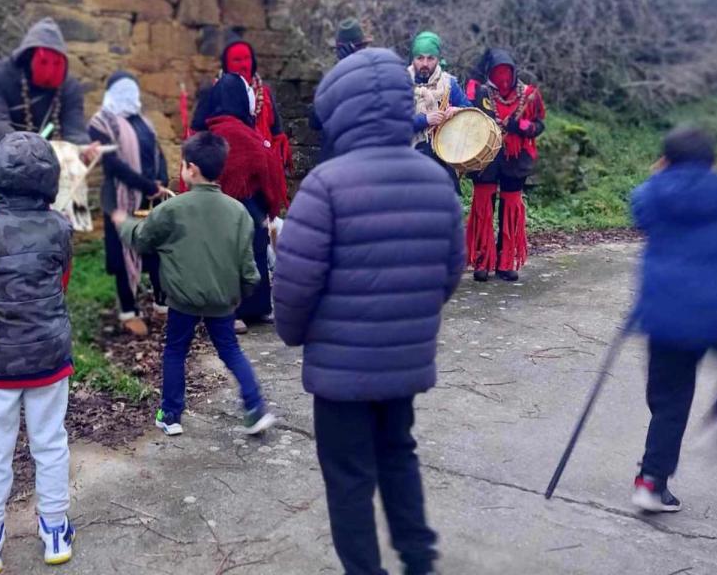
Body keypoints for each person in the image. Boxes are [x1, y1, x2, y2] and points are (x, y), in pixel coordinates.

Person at [274, 48, 466, 575]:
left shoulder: (325, 187)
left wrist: (294, 334)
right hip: (402, 366)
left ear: (343, 112)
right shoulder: (436, 181)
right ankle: (419, 559)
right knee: (399, 454)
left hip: (339, 374)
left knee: (349, 476)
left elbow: (294, 285)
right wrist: (408, 318)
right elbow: (450, 272)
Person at [0, 132, 76, 572]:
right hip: (48, 357)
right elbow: (62, 279)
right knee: (50, 443)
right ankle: (55, 529)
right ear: (50, 181)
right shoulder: (60, 226)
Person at [112, 132, 277, 437]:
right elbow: (248, 266)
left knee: (176, 351)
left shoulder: (173, 209)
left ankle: (171, 415)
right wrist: (242, 292)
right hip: (222, 300)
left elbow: (142, 238)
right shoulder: (238, 211)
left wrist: (123, 223)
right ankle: (255, 408)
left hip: (183, 300)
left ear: (190, 169)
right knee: (230, 351)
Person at [629, 126, 717, 513]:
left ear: (666, 158)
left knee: (669, 401)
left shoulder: (652, 192)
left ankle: (652, 482)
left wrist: (660, 176)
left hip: (662, 313)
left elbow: (641, 212)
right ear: (711, 158)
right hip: (710, 313)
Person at [202, 73, 288, 333]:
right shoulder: (237, 132)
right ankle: (242, 310)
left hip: (223, 208)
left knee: (237, 256)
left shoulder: (213, 130)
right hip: (241, 206)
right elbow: (265, 165)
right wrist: (268, 203)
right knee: (249, 253)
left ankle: (247, 309)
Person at [89, 71, 172, 337]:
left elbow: (157, 153)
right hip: (120, 198)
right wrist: (147, 186)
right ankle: (128, 311)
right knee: (123, 254)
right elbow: (113, 165)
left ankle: (162, 304)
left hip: (151, 198)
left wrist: (161, 180)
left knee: (157, 252)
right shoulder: (100, 123)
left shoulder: (144, 122)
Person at [0, 18, 93, 188]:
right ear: (28, 57)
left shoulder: (69, 86)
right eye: (45, 62)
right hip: (2, 163)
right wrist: (23, 148)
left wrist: (83, 147)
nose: (49, 69)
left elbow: (74, 127)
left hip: (48, 169)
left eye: (55, 64)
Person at [465, 48, 546, 282]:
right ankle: (482, 261)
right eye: (497, 72)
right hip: (486, 158)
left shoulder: (529, 94)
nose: (503, 78)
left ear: (514, 72)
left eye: (507, 73)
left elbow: (539, 125)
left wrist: (522, 127)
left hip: (516, 158)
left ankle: (505, 261)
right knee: (483, 207)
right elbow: (467, 111)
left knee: (510, 207)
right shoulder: (479, 92)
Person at [190, 38, 293, 176]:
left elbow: (277, 134)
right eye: (237, 60)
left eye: (247, 59)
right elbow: (198, 132)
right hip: (225, 168)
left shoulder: (265, 94)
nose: (243, 65)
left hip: (261, 167)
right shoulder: (213, 92)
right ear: (226, 65)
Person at [408, 31, 472, 191]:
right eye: (419, 58)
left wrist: (458, 111)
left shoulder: (448, 84)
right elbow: (392, 124)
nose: (424, 63)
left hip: (442, 164)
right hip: (409, 161)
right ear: (412, 59)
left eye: (430, 58)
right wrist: (425, 120)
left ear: (438, 59)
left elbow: (472, 112)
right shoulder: (401, 83)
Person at [311, 18, 373, 163]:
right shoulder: (331, 78)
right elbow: (315, 120)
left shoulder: (372, 76)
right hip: (335, 157)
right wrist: (343, 70)